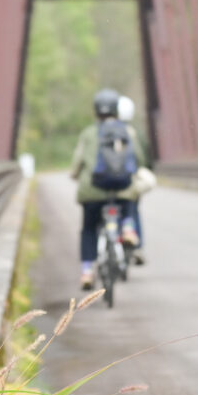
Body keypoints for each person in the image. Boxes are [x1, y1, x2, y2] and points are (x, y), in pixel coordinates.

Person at [70, 88, 145, 289]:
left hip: (92, 190)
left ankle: (87, 271)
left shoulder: (88, 133)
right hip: (121, 187)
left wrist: (75, 175)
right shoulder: (127, 131)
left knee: (88, 229)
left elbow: (77, 163)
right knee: (129, 199)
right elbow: (138, 158)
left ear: (96, 111)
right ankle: (128, 228)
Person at [118, 95, 148, 265]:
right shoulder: (134, 133)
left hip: (105, 183)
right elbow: (142, 157)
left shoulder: (101, 130)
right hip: (129, 180)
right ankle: (138, 247)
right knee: (133, 209)